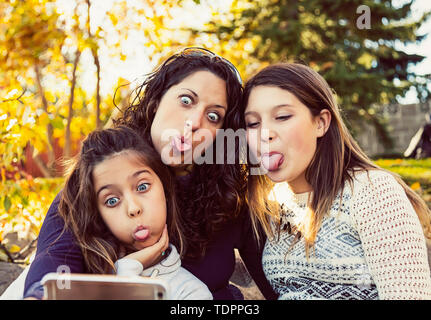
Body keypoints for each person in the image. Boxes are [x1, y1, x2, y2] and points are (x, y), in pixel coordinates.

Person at [20, 47, 277, 300]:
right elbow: (49, 276)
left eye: (213, 116)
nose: (196, 122)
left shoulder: (230, 197)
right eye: (186, 101)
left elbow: (279, 284)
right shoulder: (97, 182)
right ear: (156, 101)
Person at [242, 63, 431, 300]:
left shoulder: (373, 190)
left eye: (282, 116)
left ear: (321, 122)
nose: (264, 133)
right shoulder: (270, 203)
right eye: (252, 123)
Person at [62, 126, 212, 299]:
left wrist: (127, 272)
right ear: (99, 216)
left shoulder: (190, 292)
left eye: (142, 187)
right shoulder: (81, 279)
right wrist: (127, 268)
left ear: (165, 189)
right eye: (112, 200)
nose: (133, 209)